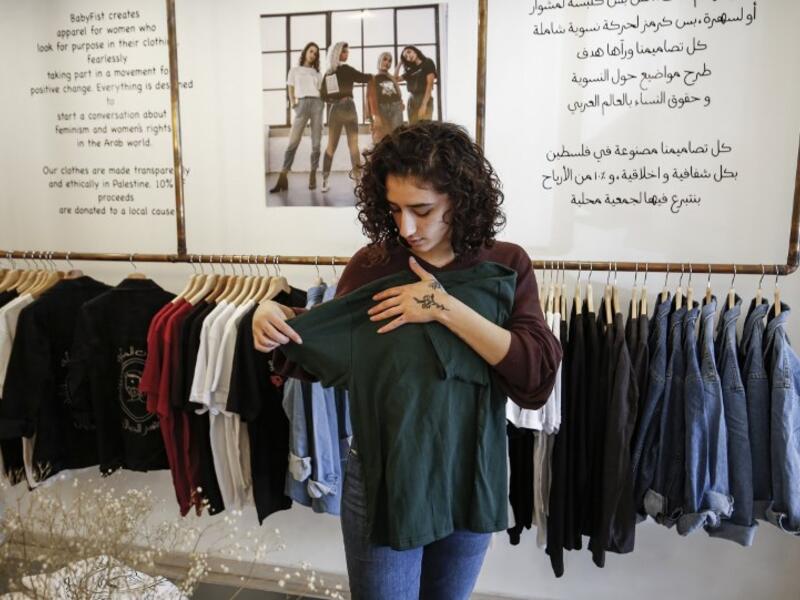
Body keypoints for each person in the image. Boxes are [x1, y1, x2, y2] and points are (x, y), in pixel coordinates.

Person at [252, 121, 562, 599]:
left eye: (422, 210)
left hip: (469, 471)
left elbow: (534, 376)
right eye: (395, 209)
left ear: (460, 197)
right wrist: (272, 317)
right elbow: (318, 350)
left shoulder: (504, 265)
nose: (406, 228)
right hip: (386, 476)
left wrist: (443, 307)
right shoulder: (374, 266)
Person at [269, 42, 324, 193]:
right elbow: (290, 88)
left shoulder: (317, 73)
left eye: (315, 53)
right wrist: (293, 103)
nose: (313, 55)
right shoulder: (294, 70)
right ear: (305, 52)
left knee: (316, 143)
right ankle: (283, 177)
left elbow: (321, 91)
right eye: (311, 51)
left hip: (317, 104)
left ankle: (313, 174)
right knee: (293, 142)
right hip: (302, 104)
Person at [319, 41, 372, 193]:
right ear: (336, 53)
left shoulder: (345, 70)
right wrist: (335, 101)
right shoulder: (330, 73)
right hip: (339, 109)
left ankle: (357, 180)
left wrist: (375, 77)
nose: (346, 54)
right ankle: (326, 180)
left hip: (347, 109)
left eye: (347, 52)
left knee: (352, 146)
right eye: (344, 52)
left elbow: (363, 77)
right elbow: (323, 95)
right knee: (333, 146)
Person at [366, 52, 404, 143]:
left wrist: (401, 102)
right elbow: (370, 99)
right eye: (385, 59)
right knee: (381, 138)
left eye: (390, 61)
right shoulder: (373, 78)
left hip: (396, 107)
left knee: (398, 136)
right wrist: (375, 116)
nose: (387, 63)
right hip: (381, 109)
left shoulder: (391, 78)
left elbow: (397, 92)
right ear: (379, 60)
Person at [395, 45, 437, 123]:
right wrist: (400, 63)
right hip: (411, 100)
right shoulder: (410, 70)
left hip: (424, 97)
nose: (408, 56)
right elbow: (395, 79)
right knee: (412, 127)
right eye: (406, 57)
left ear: (415, 51)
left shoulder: (428, 62)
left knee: (425, 126)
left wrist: (424, 105)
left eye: (409, 52)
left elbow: (430, 85)